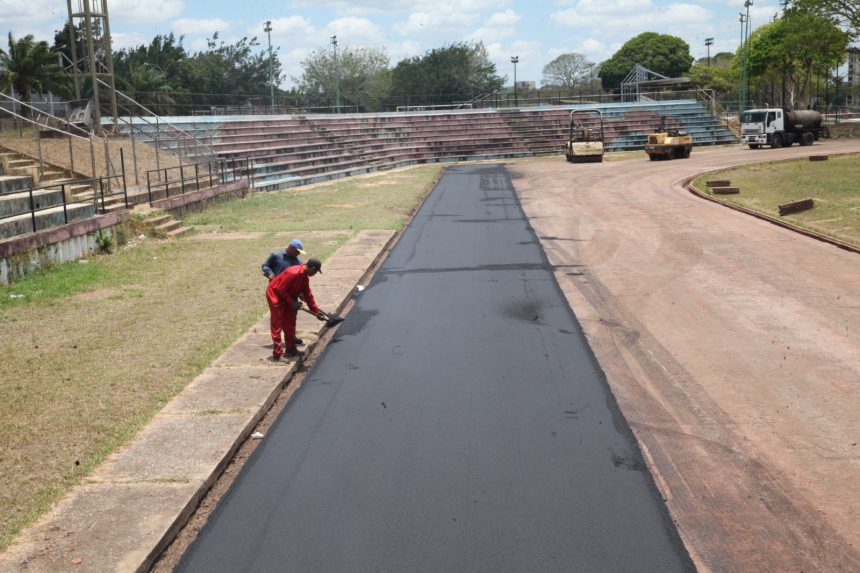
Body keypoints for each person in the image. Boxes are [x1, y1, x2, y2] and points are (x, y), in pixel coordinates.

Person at [266, 258, 325, 360]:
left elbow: (308, 295)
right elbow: (280, 289)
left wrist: (316, 311)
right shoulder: (293, 273)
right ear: (312, 268)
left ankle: (291, 349)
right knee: (277, 325)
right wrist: (292, 303)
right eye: (315, 272)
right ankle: (277, 354)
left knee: (290, 322)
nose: (315, 274)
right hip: (275, 295)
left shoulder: (305, 277)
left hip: (288, 296)